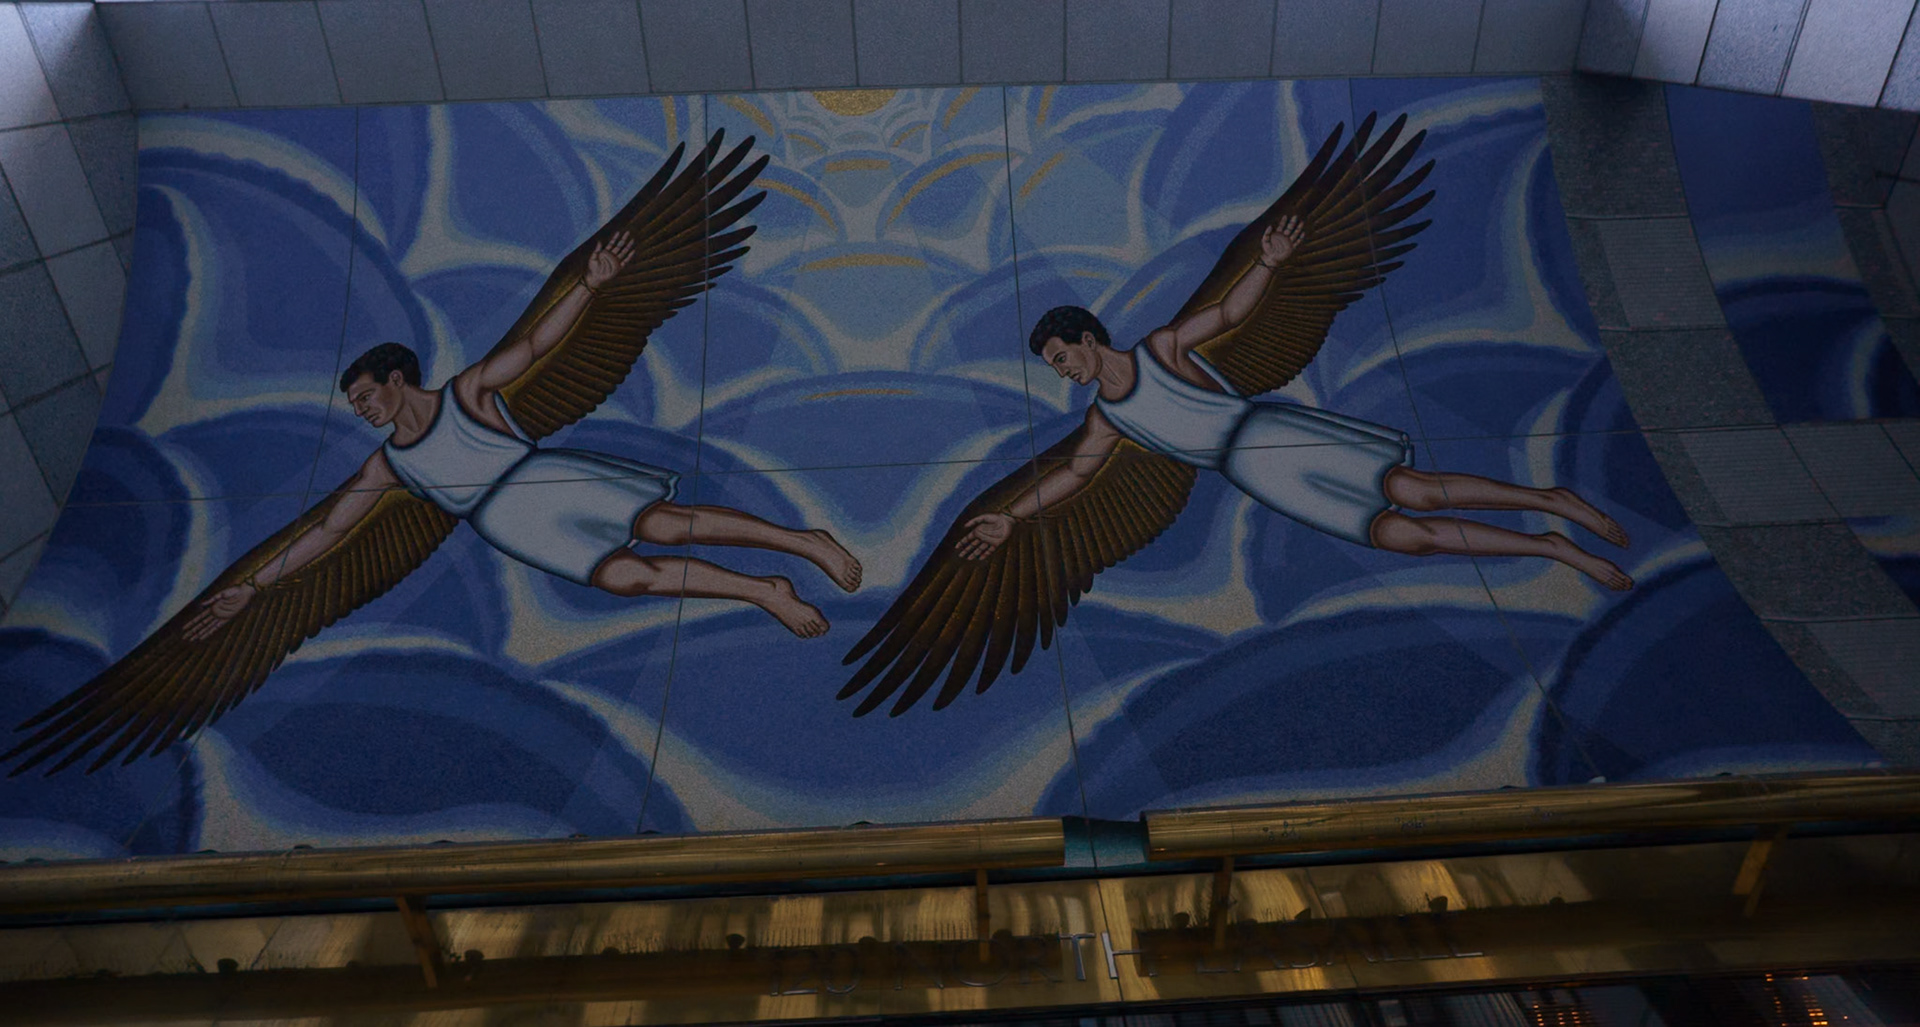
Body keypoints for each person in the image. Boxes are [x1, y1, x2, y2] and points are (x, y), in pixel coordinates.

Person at [185, 231, 862, 642]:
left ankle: (805, 542)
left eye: (365, 396)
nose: (362, 409)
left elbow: (536, 344)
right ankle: (763, 590)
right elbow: (328, 531)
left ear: (395, 379)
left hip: (544, 480)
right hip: (512, 526)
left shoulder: (467, 393)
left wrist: (589, 287)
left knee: (664, 525)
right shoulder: (388, 467)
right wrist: (257, 586)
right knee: (628, 578)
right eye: (356, 404)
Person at [955, 218, 1634, 589]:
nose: (1063, 371)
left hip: (1271, 434)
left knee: (1416, 491)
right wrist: (1011, 517)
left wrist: (1268, 263)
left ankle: (1551, 500)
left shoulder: (1160, 349)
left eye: (1061, 357)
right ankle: (1550, 548)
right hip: (1256, 475)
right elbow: (1075, 475)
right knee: (1403, 536)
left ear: (1086, 338)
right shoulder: (1106, 418)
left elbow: (1225, 314)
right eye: (1055, 367)